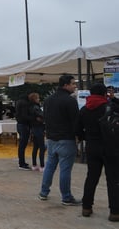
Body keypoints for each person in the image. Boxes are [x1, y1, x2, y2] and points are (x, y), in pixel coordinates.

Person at [75, 83, 119, 221]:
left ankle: (86, 207)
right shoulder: (110, 107)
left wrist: (86, 138)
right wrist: (114, 98)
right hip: (111, 147)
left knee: (91, 177)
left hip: (92, 147)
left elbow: (77, 130)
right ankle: (115, 212)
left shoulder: (84, 109)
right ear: (104, 93)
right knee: (113, 179)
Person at [38, 75, 81, 205]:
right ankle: (66, 197)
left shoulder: (48, 100)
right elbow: (76, 121)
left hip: (51, 138)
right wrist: (78, 136)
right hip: (66, 139)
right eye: (73, 84)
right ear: (65, 85)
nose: (75, 86)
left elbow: (44, 118)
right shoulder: (70, 100)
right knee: (65, 169)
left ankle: (43, 192)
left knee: (50, 166)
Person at [28, 93, 46, 172]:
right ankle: (42, 166)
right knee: (42, 147)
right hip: (38, 128)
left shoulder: (31, 107)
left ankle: (34, 165)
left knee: (35, 147)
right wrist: (42, 119)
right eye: (38, 98)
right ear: (34, 99)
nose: (39, 99)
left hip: (34, 129)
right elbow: (42, 115)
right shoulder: (36, 107)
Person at [15, 93, 33, 170]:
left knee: (21, 145)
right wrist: (33, 118)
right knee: (23, 145)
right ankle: (22, 164)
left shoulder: (18, 102)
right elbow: (25, 116)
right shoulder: (25, 104)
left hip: (19, 125)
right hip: (24, 125)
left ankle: (21, 161)